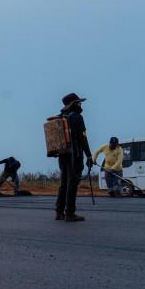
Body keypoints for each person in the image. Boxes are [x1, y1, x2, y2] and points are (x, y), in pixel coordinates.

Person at [55, 93, 93, 222]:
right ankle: (70, 213)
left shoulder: (60, 117)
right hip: (75, 156)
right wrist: (89, 155)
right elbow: (83, 137)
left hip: (62, 155)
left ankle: (59, 212)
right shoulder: (77, 117)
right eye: (78, 102)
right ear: (74, 104)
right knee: (72, 184)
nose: (80, 104)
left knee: (63, 184)